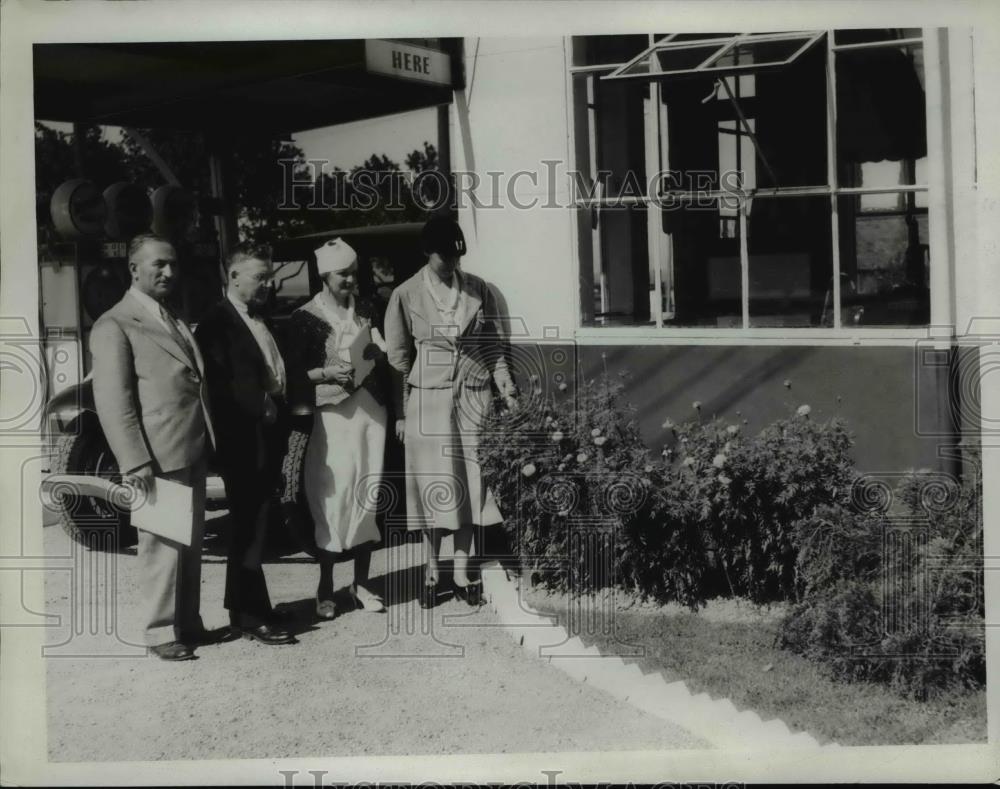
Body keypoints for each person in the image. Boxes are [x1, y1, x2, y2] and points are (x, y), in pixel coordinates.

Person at [90, 233, 216, 661]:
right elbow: (113, 399)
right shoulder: (115, 324)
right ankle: (159, 632)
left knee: (190, 543)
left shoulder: (172, 316)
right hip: (155, 453)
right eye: (159, 264)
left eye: (174, 264)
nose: (169, 272)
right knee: (161, 545)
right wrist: (133, 459)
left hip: (190, 446)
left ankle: (188, 623)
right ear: (134, 269)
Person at [384, 216, 517, 609]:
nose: (453, 263)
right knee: (432, 486)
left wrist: (505, 383)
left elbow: (492, 345)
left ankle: (462, 568)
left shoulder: (478, 289)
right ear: (428, 253)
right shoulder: (406, 294)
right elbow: (397, 359)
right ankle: (432, 566)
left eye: (458, 256)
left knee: (470, 481)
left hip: (474, 397)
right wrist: (403, 412)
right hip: (428, 401)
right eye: (445, 256)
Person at [194, 244, 295, 646]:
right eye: (260, 277)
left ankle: (252, 607)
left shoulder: (258, 318)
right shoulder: (215, 323)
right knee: (247, 528)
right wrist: (260, 404)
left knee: (256, 525)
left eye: (269, 277)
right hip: (242, 441)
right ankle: (248, 616)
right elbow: (217, 387)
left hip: (265, 436)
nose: (267, 285)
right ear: (233, 277)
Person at [287, 238, 390, 620]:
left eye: (352, 272)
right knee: (332, 495)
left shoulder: (367, 308)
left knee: (368, 490)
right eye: (341, 274)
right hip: (331, 417)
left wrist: (378, 353)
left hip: (371, 414)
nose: (349, 280)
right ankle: (325, 585)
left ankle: (361, 584)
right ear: (324, 277)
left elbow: (382, 348)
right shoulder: (305, 318)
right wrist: (327, 373)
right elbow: (292, 375)